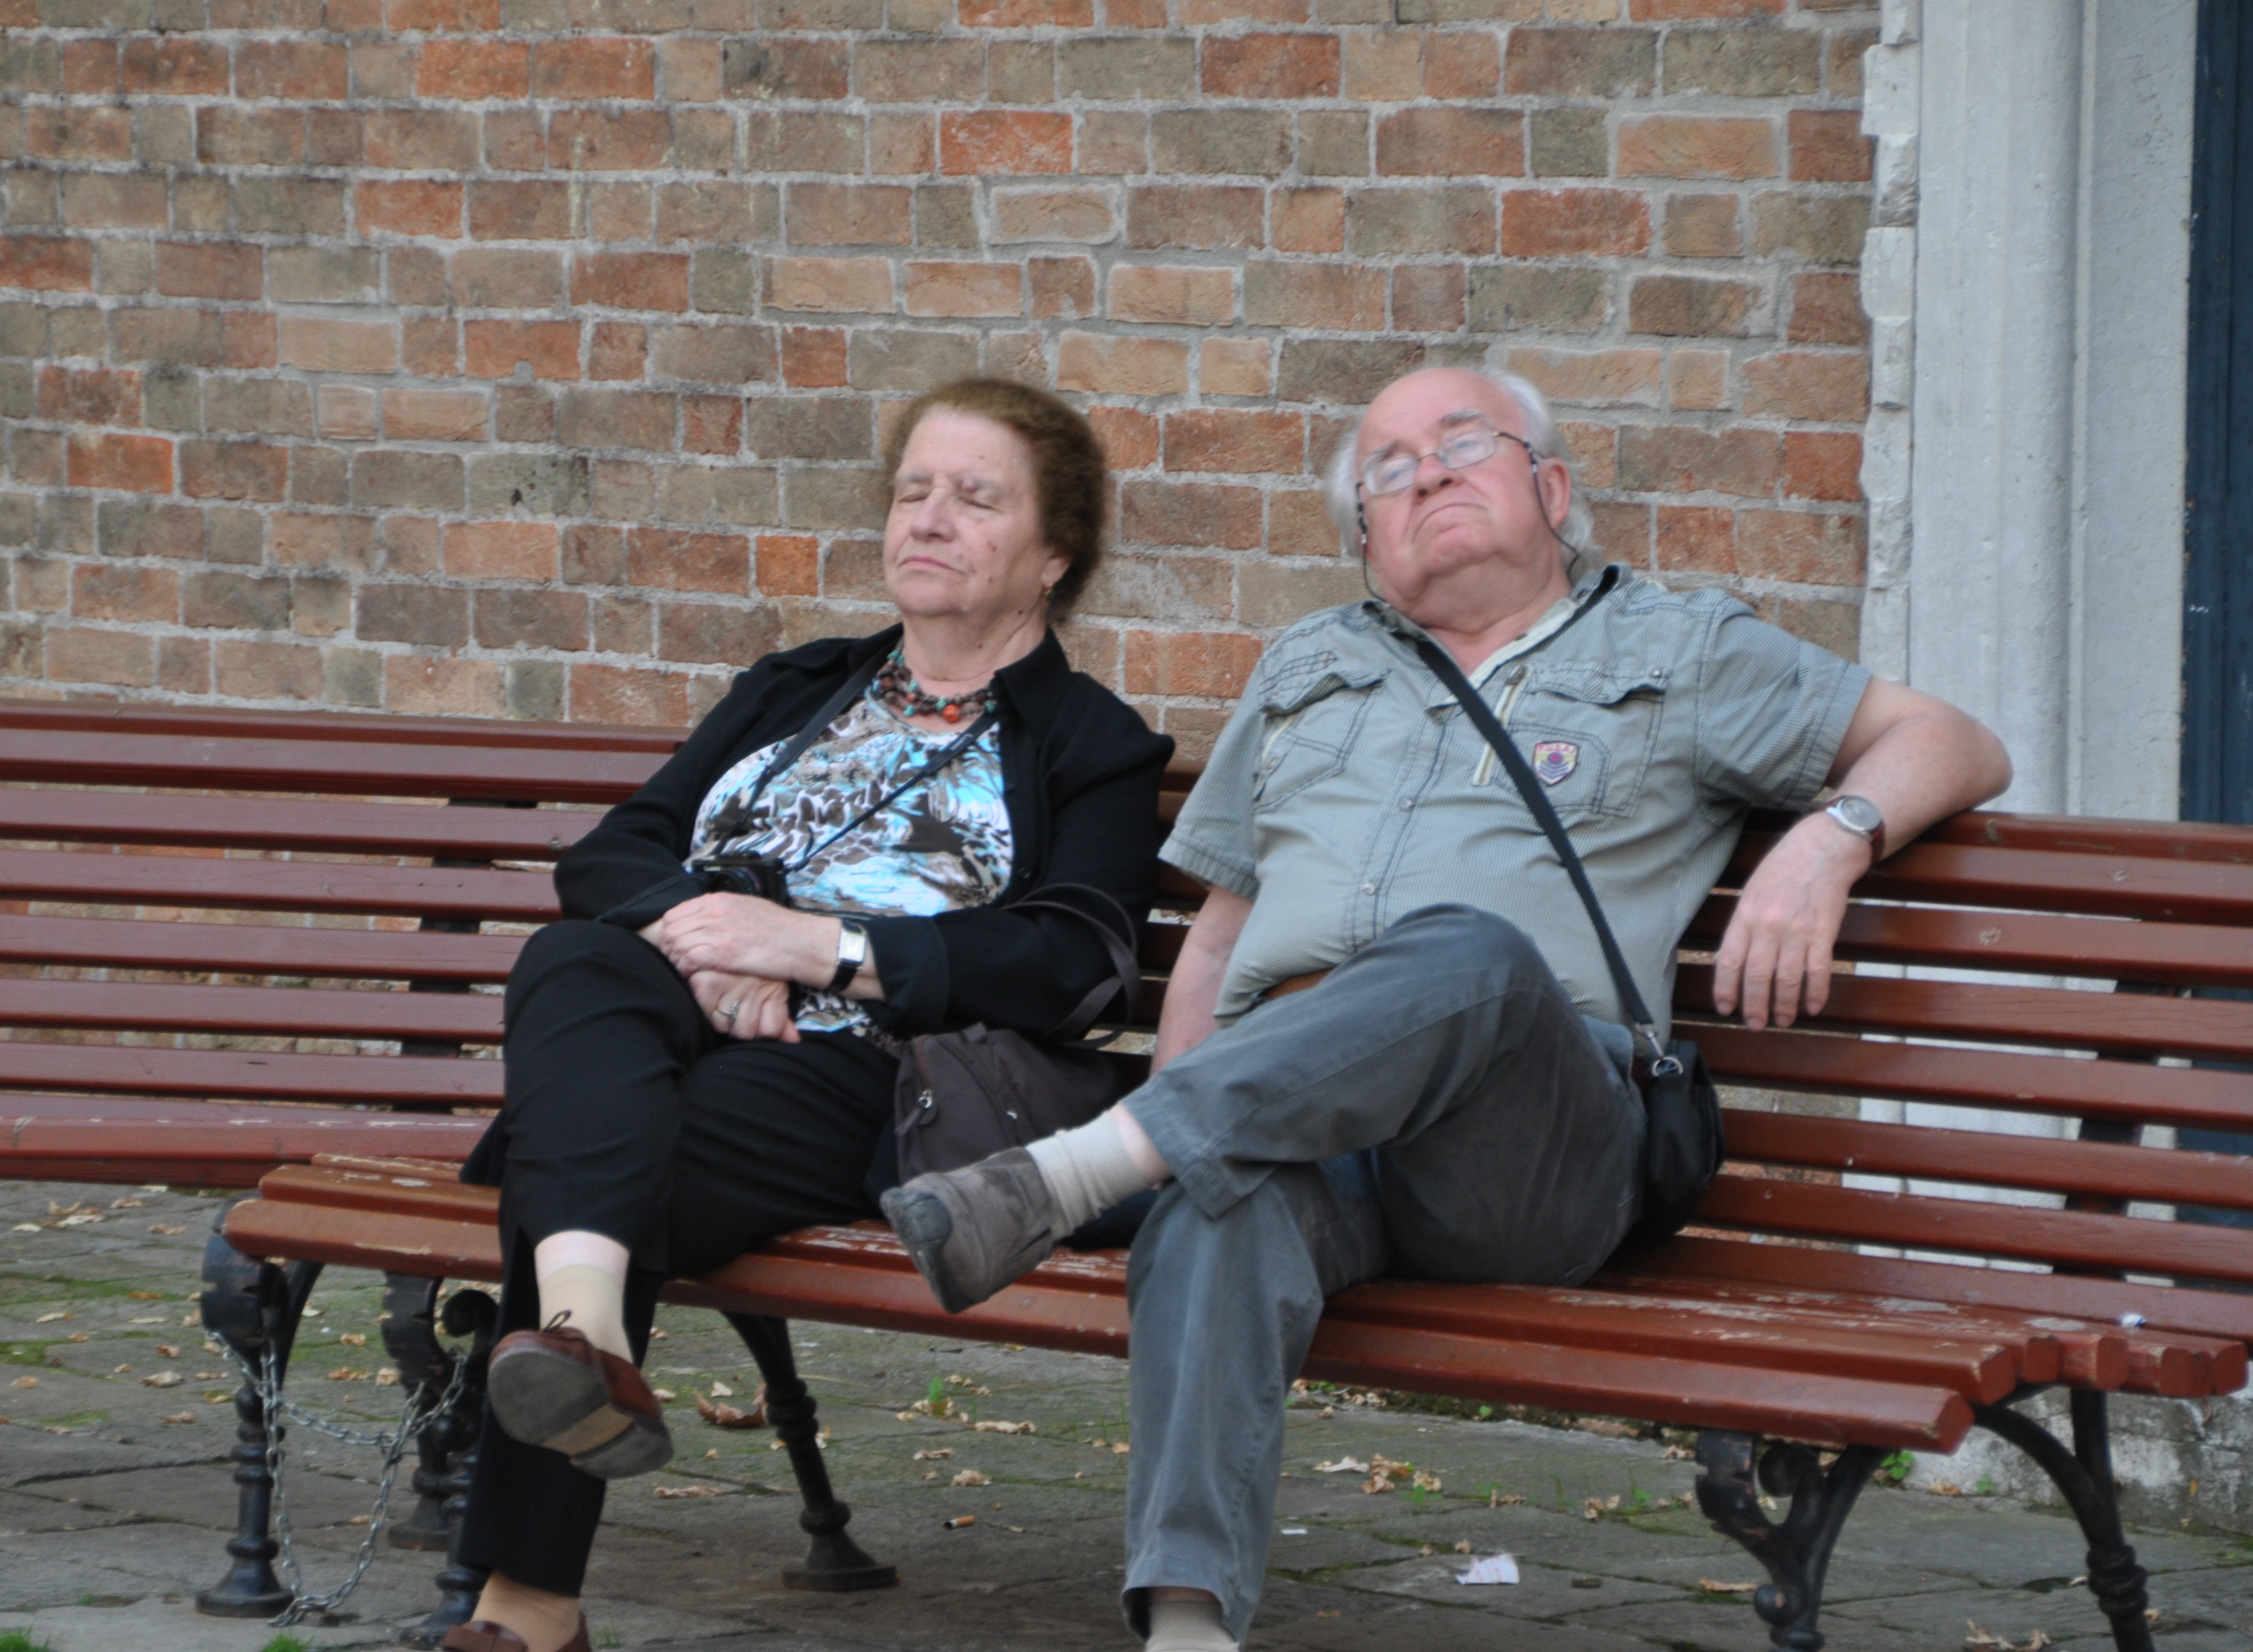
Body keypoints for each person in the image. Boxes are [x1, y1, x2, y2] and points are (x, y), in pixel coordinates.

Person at [881, 367, 2013, 1652]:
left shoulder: (1683, 649)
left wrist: (1828, 840)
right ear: (1365, 537)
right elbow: (1224, 930)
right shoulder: (1311, 663)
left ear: (1552, 488)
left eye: (1463, 445)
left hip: (1524, 1144)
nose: (1425, 474)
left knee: (1467, 949)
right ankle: (1188, 1628)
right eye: (1388, 468)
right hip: (1309, 1130)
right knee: (1214, 1199)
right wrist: (1187, 1112)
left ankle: (1076, 1171)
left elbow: (1953, 741)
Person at [443, 378, 1174, 1652]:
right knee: (572, 961)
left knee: (587, 1167)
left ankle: (527, 1600)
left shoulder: (1089, 742)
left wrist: (813, 951)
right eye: (912, 490)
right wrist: (715, 941)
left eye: (975, 498)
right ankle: (584, 1335)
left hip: (861, 1069)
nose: (927, 518)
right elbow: (616, 853)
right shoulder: (799, 683)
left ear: (1055, 553)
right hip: (662, 1008)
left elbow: (1074, 962)